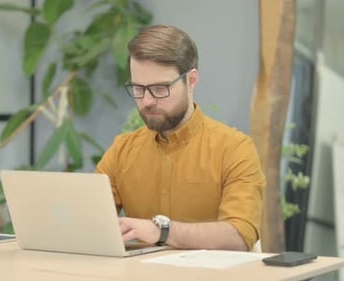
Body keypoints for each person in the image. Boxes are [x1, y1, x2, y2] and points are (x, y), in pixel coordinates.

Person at [95, 24, 265, 251]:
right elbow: (92, 222)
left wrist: (162, 231)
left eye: (159, 88)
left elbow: (239, 235)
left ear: (191, 80)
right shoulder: (122, 150)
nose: (146, 101)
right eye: (138, 88)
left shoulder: (234, 149)